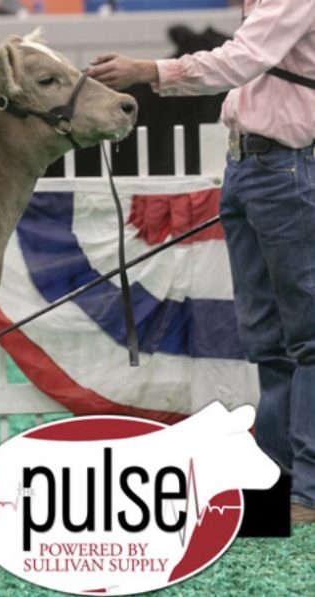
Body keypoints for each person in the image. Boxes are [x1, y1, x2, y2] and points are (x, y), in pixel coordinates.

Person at [88, 0, 315, 525]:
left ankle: (306, 489)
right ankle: (277, 475)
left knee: (304, 337)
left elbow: (241, 60)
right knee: (267, 338)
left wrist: (147, 72)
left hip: (285, 167)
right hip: (250, 163)